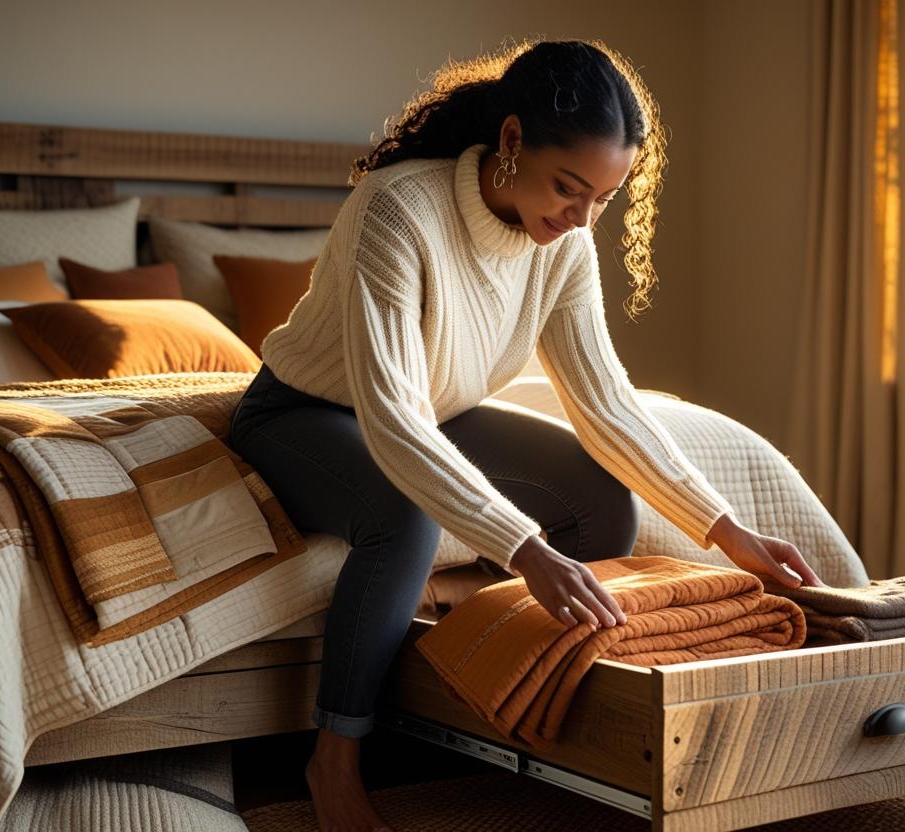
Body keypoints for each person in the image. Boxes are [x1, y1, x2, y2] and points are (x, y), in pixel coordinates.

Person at [229, 38, 824, 832]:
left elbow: (607, 402)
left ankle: (530, 702)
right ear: (511, 141)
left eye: (603, 200)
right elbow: (393, 417)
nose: (580, 218)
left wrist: (727, 531)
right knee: (403, 520)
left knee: (599, 498)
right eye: (567, 187)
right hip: (306, 412)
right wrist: (521, 548)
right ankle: (334, 758)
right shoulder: (397, 209)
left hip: (437, 410)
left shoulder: (565, 245)